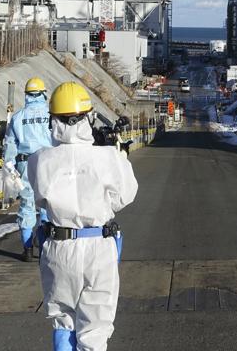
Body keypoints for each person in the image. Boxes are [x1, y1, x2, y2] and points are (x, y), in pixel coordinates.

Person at [27, 81, 138, 351]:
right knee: (95, 330)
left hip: (57, 246)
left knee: (63, 320)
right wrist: (117, 154)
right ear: (88, 117)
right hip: (98, 246)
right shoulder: (107, 158)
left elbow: (40, 199)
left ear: (53, 120)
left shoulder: (40, 160)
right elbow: (125, 196)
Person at [3, 76, 54, 261]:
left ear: (26, 95)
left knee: (27, 206)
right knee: (48, 206)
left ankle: (27, 249)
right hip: (48, 163)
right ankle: (45, 248)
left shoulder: (17, 118)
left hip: (25, 164)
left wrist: (11, 169)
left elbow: (10, 147)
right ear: (42, 94)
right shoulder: (51, 115)